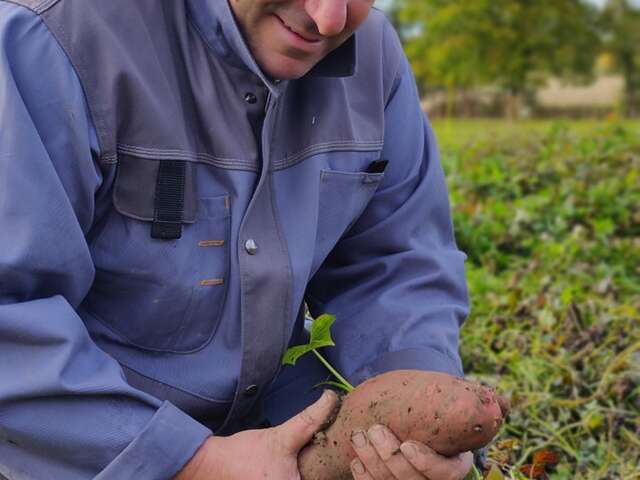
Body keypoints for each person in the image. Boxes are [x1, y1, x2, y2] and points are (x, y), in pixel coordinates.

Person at [0, 0, 473, 478]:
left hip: (277, 418)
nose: (328, 18)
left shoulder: (374, 56)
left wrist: (414, 402)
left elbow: (397, 260)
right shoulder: (51, 38)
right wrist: (191, 462)